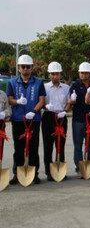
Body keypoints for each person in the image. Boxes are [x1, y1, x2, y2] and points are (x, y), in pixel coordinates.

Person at [7, 54, 46, 185]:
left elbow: (42, 100)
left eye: (27, 67)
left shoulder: (39, 82)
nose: (25, 69)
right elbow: (9, 99)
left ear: (31, 68)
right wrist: (17, 101)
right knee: (18, 148)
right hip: (18, 120)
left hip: (33, 120)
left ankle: (34, 173)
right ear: (19, 68)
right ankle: (17, 174)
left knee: (33, 148)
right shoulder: (12, 82)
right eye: (23, 67)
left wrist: (34, 112)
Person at [42, 62, 70, 181]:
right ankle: (49, 172)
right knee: (48, 145)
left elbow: (69, 102)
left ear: (60, 74)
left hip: (62, 116)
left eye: (57, 74)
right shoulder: (44, 87)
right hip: (49, 116)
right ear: (49, 75)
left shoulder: (66, 88)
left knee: (61, 144)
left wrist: (65, 111)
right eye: (52, 74)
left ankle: (60, 170)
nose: (55, 76)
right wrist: (46, 106)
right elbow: (41, 102)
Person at [69, 62, 90, 178]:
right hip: (78, 120)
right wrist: (72, 100)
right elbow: (71, 101)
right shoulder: (74, 85)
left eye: (86, 73)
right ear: (79, 73)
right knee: (78, 145)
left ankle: (88, 165)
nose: (84, 75)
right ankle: (79, 166)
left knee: (89, 145)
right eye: (82, 72)